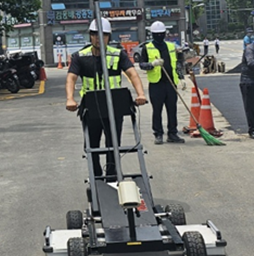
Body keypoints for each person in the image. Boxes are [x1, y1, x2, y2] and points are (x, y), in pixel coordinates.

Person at [65, 18, 148, 179]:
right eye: (95, 34)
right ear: (90, 36)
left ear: (109, 36)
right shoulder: (80, 56)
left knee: (113, 145)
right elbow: (71, 78)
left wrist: (141, 94)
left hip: (114, 106)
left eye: (103, 35)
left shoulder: (118, 55)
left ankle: (112, 176)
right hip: (91, 107)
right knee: (91, 146)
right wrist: (70, 98)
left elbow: (132, 74)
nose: (98, 38)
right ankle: (96, 178)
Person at [139, 21, 185, 145]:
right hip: (156, 84)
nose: (159, 36)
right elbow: (141, 64)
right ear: (152, 34)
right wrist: (151, 65)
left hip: (171, 84)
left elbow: (177, 63)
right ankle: (158, 134)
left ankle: (172, 133)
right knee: (157, 110)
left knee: (172, 109)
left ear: (165, 33)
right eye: (156, 34)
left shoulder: (171, 46)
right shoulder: (147, 48)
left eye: (161, 34)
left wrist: (181, 78)